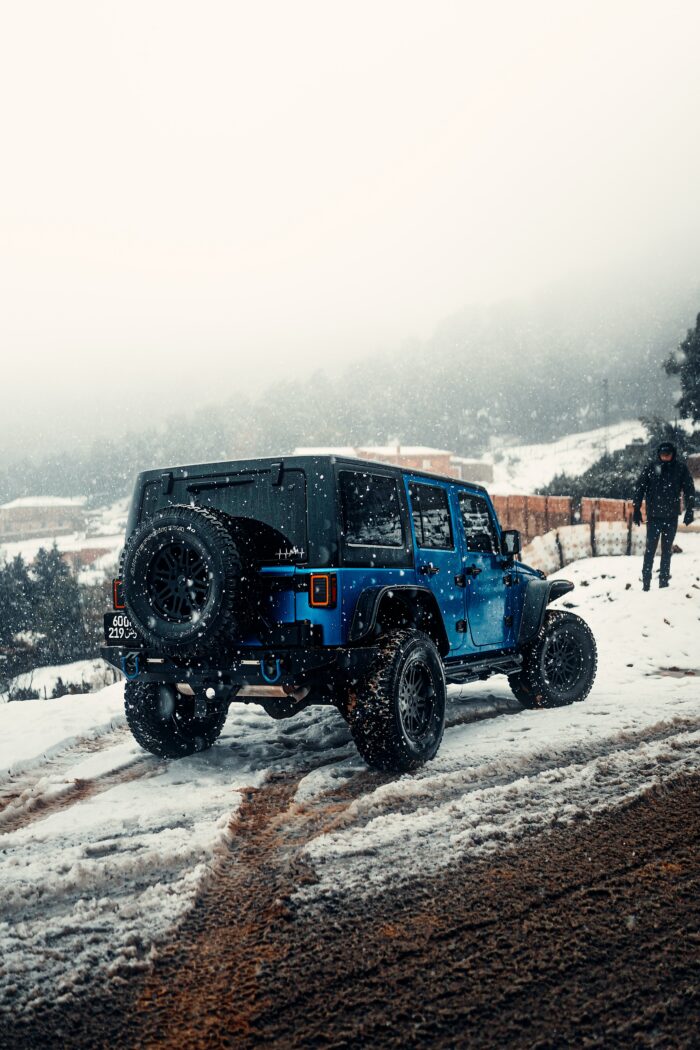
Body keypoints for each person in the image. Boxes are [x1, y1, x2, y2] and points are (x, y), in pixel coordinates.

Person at [632, 441, 695, 590]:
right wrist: (636, 509)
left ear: (673, 454)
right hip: (654, 516)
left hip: (671, 516)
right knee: (650, 550)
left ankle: (664, 582)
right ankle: (646, 583)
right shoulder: (651, 468)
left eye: (668, 454)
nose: (665, 457)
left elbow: (689, 489)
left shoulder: (680, 469)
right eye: (662, 454)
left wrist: (690, 509)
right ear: (659, 454)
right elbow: (640, 488)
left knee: (667, 550)